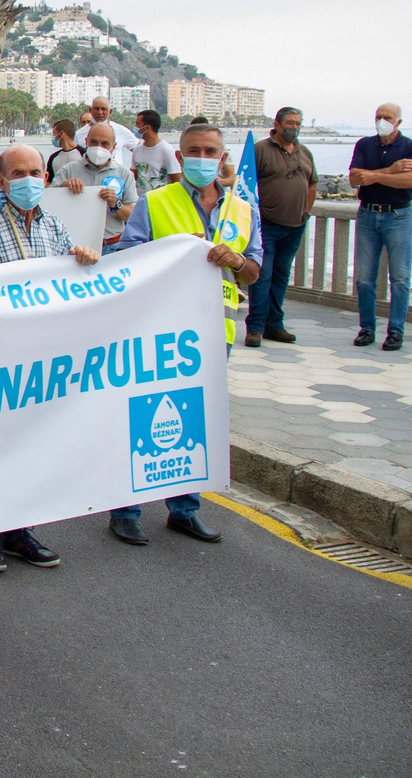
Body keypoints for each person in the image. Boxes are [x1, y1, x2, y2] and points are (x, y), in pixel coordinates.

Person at [0, 145, 99, 573]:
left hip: (43, 359)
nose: (29, 179)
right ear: (1, 181)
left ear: (47, 178)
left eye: (36, 171)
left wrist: (83, 260)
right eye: (18, 173)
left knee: (32, 449)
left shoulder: (54, 226)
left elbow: (71, 282)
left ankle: (20, 531)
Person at [113, 122, 261, 544]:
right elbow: (128, 261)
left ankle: (185, 507)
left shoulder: (243, 209)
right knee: (141, 413)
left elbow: (253, 272)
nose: (202, 157)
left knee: (196, 418)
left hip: (215, 332)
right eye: (193, 150)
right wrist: (173, 251)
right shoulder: (155, 203)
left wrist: (234, 260)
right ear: (179, 158)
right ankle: (125, 509)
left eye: (210, 150)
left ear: (222, 157)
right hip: (161, 329)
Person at [348, 103, 412, 351]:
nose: (382, 120)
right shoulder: (364, 145)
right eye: (378, 116)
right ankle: (367, 328)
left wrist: (373, 176)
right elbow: (354, 178)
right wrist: (389, 171)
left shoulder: (411, 147)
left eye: (387, 117)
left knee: (400, 278)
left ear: (398, 122)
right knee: (365, 279)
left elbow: (410, 180)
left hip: (398, 216)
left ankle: (396, 331)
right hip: (368, 215)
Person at [245, 107, 317, 348]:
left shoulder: (304, 152)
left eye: (298, 123)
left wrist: (306, 211)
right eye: (289, 123)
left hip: (295, 226)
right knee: (261, 277)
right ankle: (255, 327)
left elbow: (312, 184)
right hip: (266, 225)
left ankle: (275, 325)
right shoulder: (261, 150)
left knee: (281, 277)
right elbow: (246, 185)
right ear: (277, 123)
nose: (294, 127)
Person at [53, 122, 139, 252]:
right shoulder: (68, 170)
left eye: (105, 144)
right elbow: (49, 205)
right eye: (94, 142)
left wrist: (116, 204)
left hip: (112, 246)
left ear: (113, 146)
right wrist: (62, 187)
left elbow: (133, 217)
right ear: (86, 142)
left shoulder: (124, 174)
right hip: (77, 247)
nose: (99, 147)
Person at [131, 109, 181, 195]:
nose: (135, 127)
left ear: (147, 127)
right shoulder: (137, 150)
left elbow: (176, 180)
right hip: (141, 201)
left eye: (138, 124)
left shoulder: (167, 150)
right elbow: (133, 176)